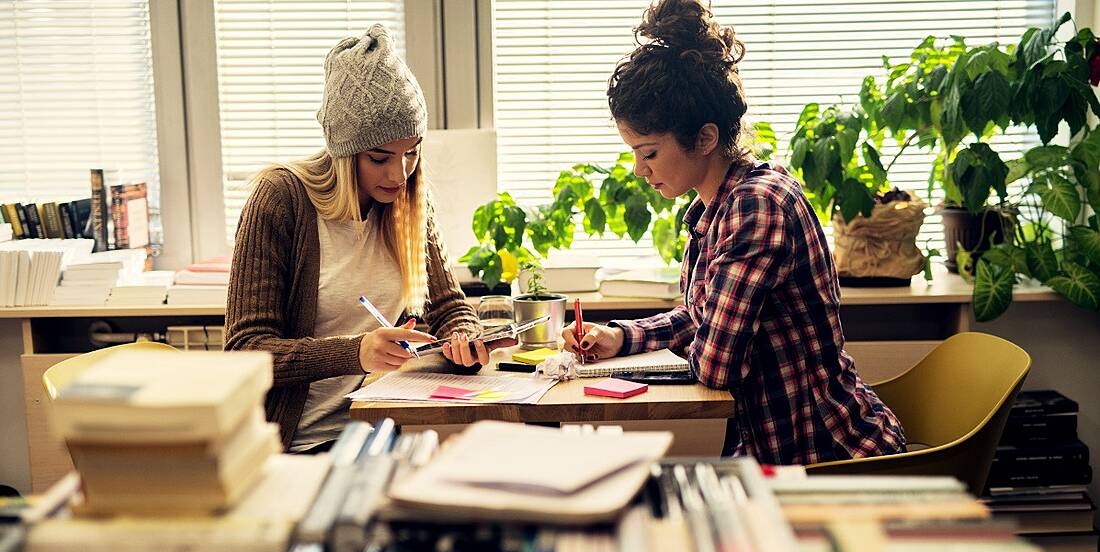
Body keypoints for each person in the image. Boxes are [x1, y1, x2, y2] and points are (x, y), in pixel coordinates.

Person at [563, 0, 906, 465]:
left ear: (704, 139)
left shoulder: (755, 207)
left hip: (825, 456)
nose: (640, 170)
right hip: (773, 448)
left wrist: (697, 335)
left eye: (648, 153)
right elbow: (708, 318)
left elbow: (715, 364)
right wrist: (622, 338)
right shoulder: (723, 204)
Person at [225, 24, 505, 453]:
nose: (399, 174)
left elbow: (448, 306)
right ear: (344, 150)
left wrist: (465, 337)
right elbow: (246, 350)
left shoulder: (410, 201)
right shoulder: (281, 200)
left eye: (411, 152)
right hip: (301, 444)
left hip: (387, 429)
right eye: (379, 158)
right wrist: (355, 352)